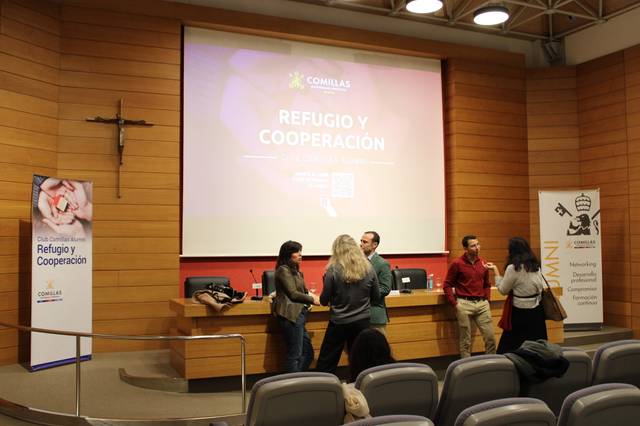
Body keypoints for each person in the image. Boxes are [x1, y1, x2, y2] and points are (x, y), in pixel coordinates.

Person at [316, 234, 380, 374]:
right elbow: (376, 296)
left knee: (327, 360)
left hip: (339, 322)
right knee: (360, 359)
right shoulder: (368, 268)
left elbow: (323, 301)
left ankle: (324, 390)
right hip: (362, 321)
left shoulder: (333, 270)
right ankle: (361, 388)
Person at [486, 237, 548, 354]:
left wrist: (496, 272)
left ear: (512, 251)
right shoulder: (535, 265)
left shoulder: (513, 268)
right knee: (537, 346)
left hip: (519, 313)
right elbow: (539, 288)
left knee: (511, 346)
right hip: (537, 311)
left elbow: (503, 290)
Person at [443, 235, 497, 358]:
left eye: (478, 244)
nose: (477, 248)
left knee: (490, 338)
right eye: (473, 246)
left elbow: (487, 284)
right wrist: (455, 304)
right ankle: (466, 367)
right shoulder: (457, 263)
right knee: (465, 340)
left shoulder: (482, 262)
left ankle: (492, 364)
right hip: (464, 303)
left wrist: (487, 299)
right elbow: (447, 285)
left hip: (482, 304)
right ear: (465, 248)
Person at [272, 240, 320, 373]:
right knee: (295, 354)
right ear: (288, 255)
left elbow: (303, 292)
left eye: (300, 252)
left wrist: (314, 298)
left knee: (308, 353)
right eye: (297, 252)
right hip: (289, 315)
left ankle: (298, 380)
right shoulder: (283, 270)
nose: (300, 255)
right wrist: (312, 300)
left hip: (299, 314)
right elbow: (293, 294)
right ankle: (292, 386)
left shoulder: (297, 272)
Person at [360, 231, 392, 335]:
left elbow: (385, 289)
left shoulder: (382, 264)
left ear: (374, 245)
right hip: (357, 315)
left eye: (365, 242)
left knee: (378, 350)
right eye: (361, 241)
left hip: (374, 315)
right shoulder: (357, 262)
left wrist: (361, 293)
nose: (361, 244)